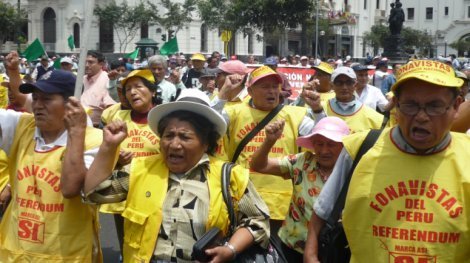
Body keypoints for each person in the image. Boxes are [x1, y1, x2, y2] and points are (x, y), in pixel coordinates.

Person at [304, 60, 470, 262]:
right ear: (396, 105)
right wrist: (311, 255)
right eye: (410, 105)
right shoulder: (361, 148)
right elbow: (322, 212)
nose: (421, 116)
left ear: (456, 106)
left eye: (434, 106)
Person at [78, 89, 270, 262]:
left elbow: (257, 221)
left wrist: (229, 250)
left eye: (185, 137)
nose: (174, 145)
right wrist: (108, 147)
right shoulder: (139, 169)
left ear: (205, 144)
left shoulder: (229, 176)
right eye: (168, 136)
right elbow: (94, 193)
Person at [0, 70, 103, 262]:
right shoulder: (22, 127)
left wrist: (76, 132)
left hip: (66, 255)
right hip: (16, 252)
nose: (37, 106)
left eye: (46, 99)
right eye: (36, 98)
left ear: (71, 104)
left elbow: (71, 188)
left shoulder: (93, 139)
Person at [215, 65, 324, 239]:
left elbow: (323, 138)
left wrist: (318, 110)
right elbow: (206, 128)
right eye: (265, 87)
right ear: (250, 91)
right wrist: (223, 94)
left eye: (275, 86)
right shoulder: (234, 112)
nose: (271, 91)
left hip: (284, 206)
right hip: (242, 201)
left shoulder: (295, 115)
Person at [250, 117, 350, 262]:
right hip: (293, 247)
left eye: (331, 144)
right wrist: (269, 141)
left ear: (344, 145)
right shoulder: (302, 162)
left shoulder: (352, 170)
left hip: (336, 250)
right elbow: (259, 165)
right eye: (319, 144)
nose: (324, 150)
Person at [314, 66, 384, 133]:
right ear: (332, 86)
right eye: (339, 83)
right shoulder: (319, 109)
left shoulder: (373, 116)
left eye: (349, 83)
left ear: (355, 85)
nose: (344, 87)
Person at [81, 51, 117, 127]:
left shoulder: (108, 80)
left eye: (90, 62)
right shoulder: (81, 80)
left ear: (101, 64)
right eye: (85, 62)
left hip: (96, 129)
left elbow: (111, 109)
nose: (86, 65)